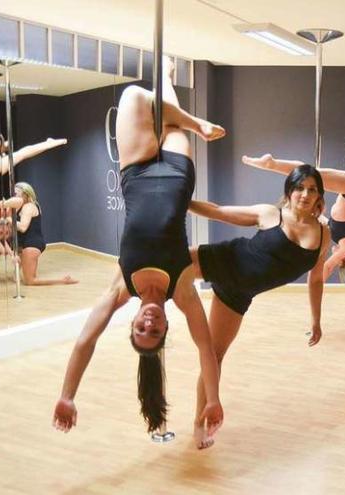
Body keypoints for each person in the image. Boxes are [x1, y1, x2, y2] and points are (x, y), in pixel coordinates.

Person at [53, 62, 226, 447]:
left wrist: (67, 395)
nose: (149, 323)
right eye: (155, 331)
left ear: (132, 323)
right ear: (165, 327)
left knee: (134, 96)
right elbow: (205, 348)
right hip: (179, 175)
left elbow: (85, 342)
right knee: (167, 114)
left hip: (135, 168)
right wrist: (213, 399)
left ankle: (175, 92)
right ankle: (170, 86)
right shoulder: (181, 291)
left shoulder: (122, 286)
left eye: (139, 329)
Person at [188, 164, 330, 448]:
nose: (305, 194)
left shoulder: (323, 234)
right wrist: (181, 201)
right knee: (159, 266)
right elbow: (217, 210)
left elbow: (315, 280)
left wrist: (316, 320)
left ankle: (198, 425)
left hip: (239, 293)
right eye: (299, 187)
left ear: (319, 197)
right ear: (289, 192)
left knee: (215, 357)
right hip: (224, 259)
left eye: (311, 189)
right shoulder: (270, 213)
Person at [241, 135, 345, 313]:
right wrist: (317, 286)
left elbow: (323, 221)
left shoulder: (340, 237)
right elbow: (327, 266)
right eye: (341, 262)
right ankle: (271, 164)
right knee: (310, 175)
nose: (337, 258)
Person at [13, 182, 77, 286]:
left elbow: (23, 227)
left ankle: (63, 280)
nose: (13, 196)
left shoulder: (28, 206)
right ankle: (16, 274)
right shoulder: (21, 206)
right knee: (24, 276)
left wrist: (9, 220)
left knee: (30, 281)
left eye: (16, 194)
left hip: (32, 244)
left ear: (25, 195)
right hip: (26, 243)